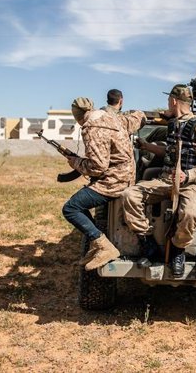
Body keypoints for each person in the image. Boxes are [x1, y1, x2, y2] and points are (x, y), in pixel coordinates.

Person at [122, 84, 196, 278]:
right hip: (165, 179)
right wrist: (147, 146)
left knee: (190, 213)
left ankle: (178, 250)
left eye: (168, 101)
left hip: (189, 183)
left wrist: (188, 176)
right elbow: (169, 153)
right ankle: (148, 243)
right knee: (130, 194)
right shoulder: (173, 124)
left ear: (173, 101)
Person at [62, 95, 146, 272]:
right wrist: (143, 114)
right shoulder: (112, 118)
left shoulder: (91, 128)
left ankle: (104, 246)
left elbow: (98, 167)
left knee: (71, 208)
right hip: (126, 176)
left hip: (114, 181)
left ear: (76, 115)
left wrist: (75, 162)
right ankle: (97, 243)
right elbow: (136, 118)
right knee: (81, 203)